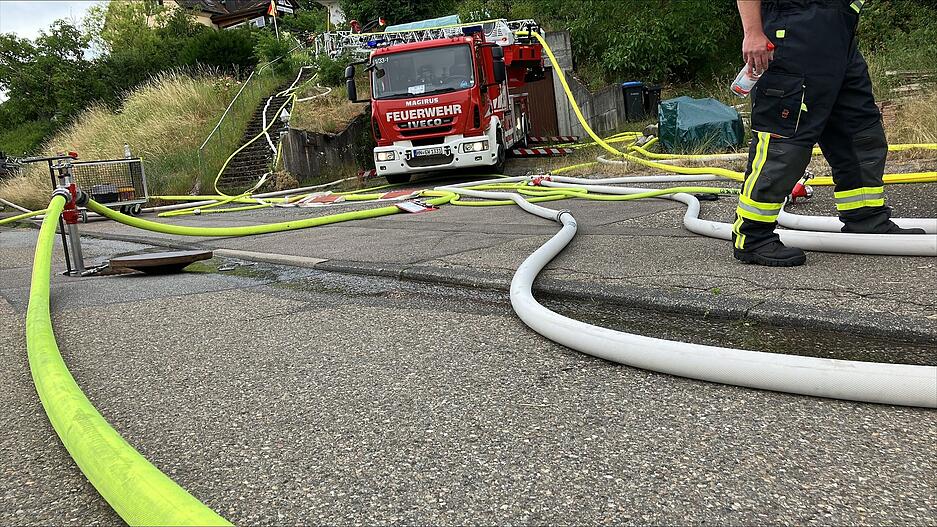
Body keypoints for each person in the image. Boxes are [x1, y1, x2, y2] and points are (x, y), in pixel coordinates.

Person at [732, 0, 925, 267]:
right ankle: (752, 235)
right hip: (794, 31)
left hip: (840, 36)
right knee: (785, 142)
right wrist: (752, 32)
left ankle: (866, 218)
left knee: (860, 133)